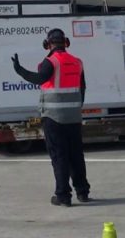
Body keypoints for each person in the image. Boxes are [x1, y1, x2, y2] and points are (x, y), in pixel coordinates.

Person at [12, 28, 90, 207]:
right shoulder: (77, 62)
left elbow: (39, 79)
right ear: (66, 42)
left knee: (59, 156)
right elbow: (82, 87)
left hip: (54, 118)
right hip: (73, 117)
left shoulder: (51, 62)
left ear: (48, 44)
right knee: (76, 156)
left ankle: (63, 196)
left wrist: (19, 70)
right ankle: (82, 192)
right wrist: (76, 108)